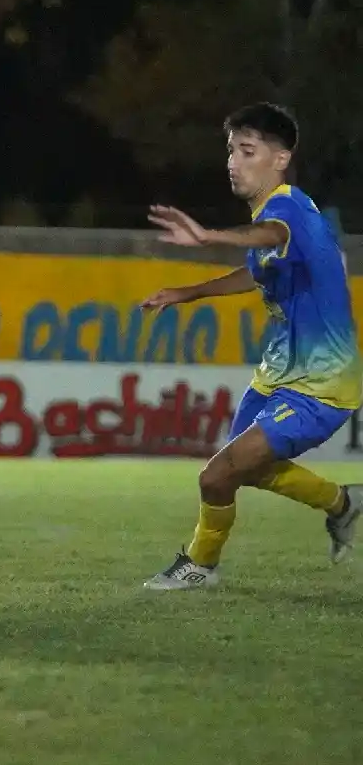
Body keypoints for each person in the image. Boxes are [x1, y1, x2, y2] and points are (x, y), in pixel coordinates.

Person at [140, 102, 363, 590]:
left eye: (247, 151)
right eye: (230, 150)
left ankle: (200, 564)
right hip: (277, 374)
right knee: (249, 470)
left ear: (280, 159)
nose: (233, 162)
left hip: (321, 384)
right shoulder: (272, 217)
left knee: (216, 476)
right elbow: (257, 268)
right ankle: (344, 504)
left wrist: (206, 237)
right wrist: (188, 292)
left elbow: (272, 233)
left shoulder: (287, 209)